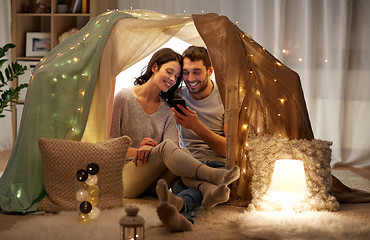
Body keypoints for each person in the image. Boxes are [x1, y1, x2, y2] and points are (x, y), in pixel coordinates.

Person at [110, 48, 240, 231]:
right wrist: (140, 150)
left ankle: (182, 213)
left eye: (177, 75)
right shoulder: (127, 97)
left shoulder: (170, 108)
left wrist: (194, 127)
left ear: (210, 71)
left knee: (181, 159)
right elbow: (110, 144)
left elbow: (173, 150)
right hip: (131, 173)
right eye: (180, 73)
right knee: (177, 154)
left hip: (165, 176)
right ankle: (211, 180)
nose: (177, 79)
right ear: (154, 67)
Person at [154, 46, 233, 232]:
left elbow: (228, 150)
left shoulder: (225, 99)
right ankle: (204, 197)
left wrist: (196, 126)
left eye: (197, 72)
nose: (190, 79)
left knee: (186, 186)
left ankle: (181, 207)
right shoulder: (176, 95)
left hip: (217, 164)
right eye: (186, 73)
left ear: (210, 71)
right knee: (181, 182)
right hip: (187, 163)